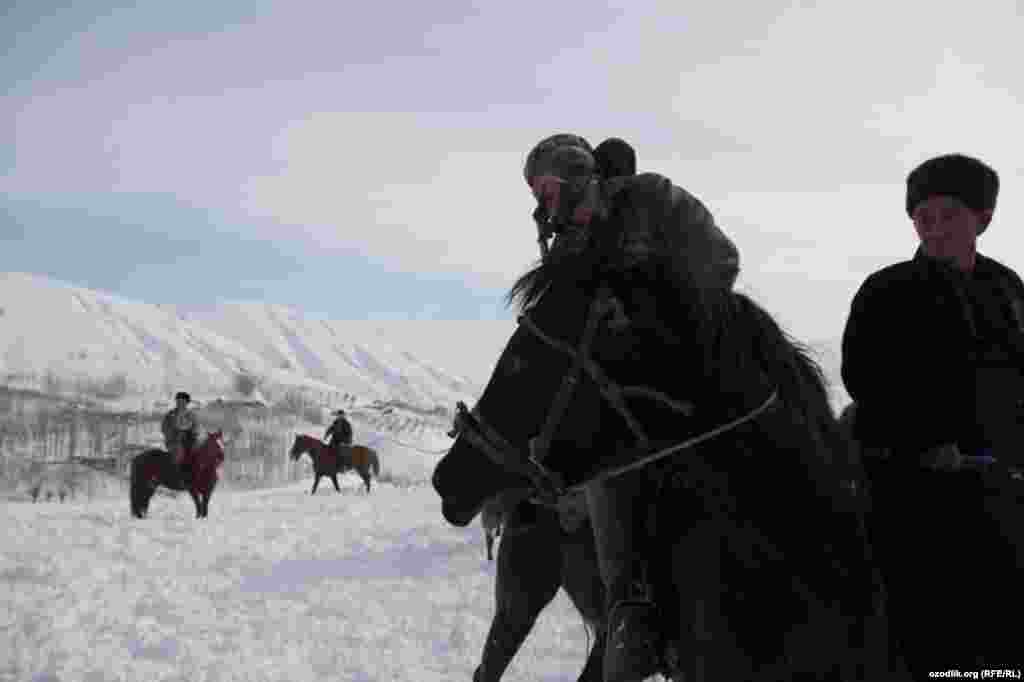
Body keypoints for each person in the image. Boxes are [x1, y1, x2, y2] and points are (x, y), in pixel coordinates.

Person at [523, 133, 741, 681]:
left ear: (575, 177)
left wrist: (653, 309)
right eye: (537, 194)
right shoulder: (569, 245)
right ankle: (629, 616)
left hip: (695, 373)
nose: (542, 205)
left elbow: (723, 261)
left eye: (547, 189)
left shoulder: (655, 198)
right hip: (617, 396)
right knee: (602, 477)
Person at [841, 153, 1024, 672]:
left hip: (1000, 490)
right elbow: (865, 380)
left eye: (950, 215)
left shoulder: (1007, 288)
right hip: (912, 497)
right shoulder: (886, 291)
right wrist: (923, 445)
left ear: (982, 218)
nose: (935, 227)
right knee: (929, 639)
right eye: (924, 217)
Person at [161, 391, 198, 484]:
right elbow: (164, 428)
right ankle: (175, 475)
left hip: (189, 440)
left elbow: (196, 427)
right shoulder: (170, 414)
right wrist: (174, 434)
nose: (180, 403)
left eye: (183, 401)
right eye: (178, 401)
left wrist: (193, 434)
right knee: (179, 452)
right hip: (175, 441)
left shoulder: (192, 415)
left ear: (187, 403)